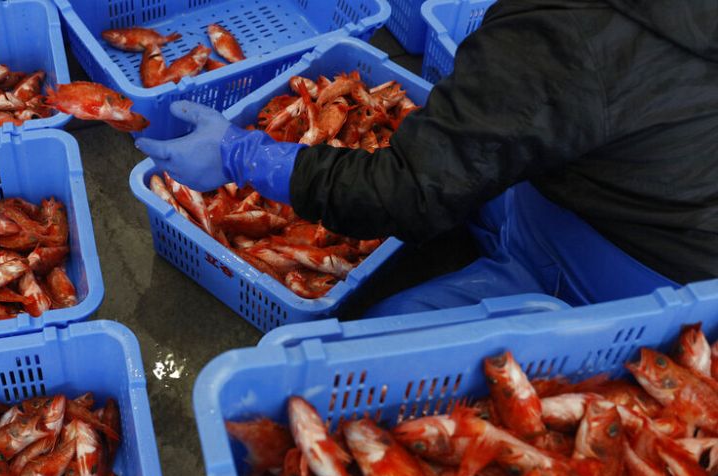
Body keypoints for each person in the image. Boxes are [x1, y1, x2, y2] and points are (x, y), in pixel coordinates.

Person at [135, 0, 718, 316]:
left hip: (638, 277)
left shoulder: (558, 32)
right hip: (619, 185)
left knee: (359, 364)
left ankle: (546, 296)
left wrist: (240, 155)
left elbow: (407, 190)